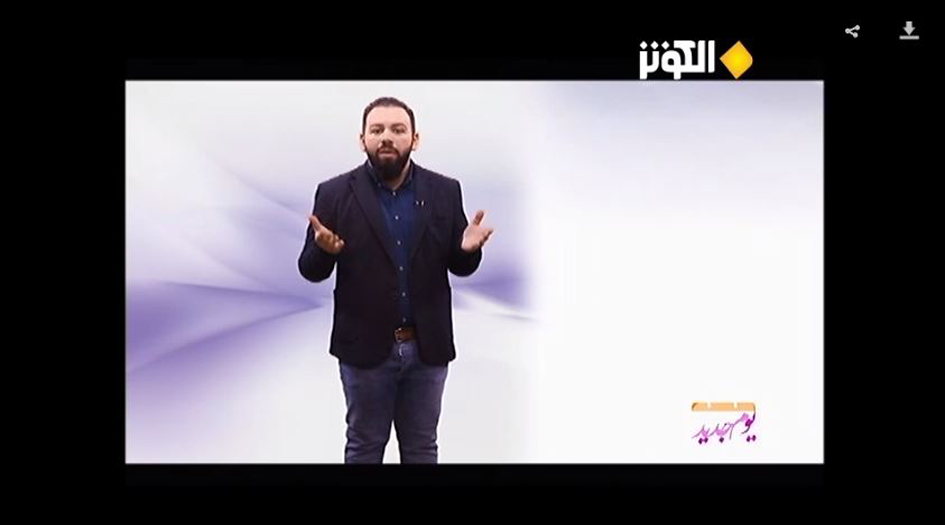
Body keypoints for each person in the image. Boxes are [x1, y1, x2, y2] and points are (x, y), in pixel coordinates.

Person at [298, 96, 493, 463]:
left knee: (422, 448)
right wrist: (325, 250)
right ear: (362, 140)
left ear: (415, 139)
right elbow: (310, 270)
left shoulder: (445, 191)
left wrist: (467, 249)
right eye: (377, 130)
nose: (386, 136)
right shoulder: (334, 193)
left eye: (397, 129)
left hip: (427, 348)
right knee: (364, 447)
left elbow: (460, 265)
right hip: (364, 350)